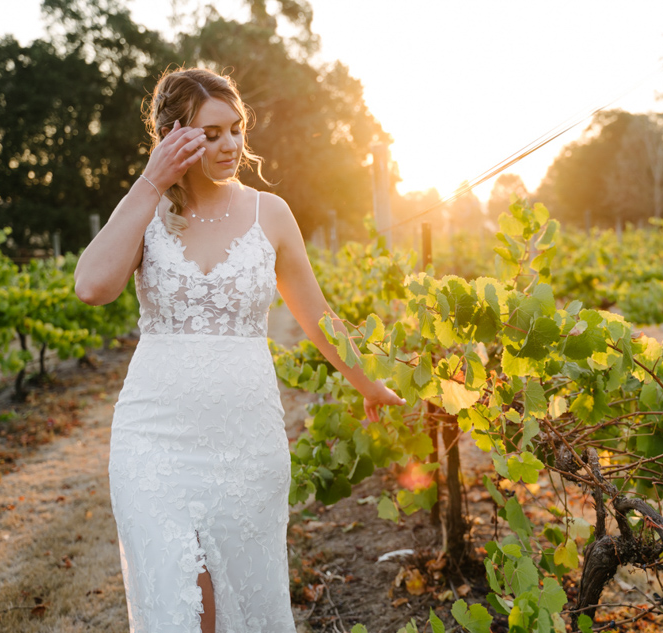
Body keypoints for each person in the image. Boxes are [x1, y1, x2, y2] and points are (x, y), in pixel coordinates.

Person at [74, 67, 405, 633]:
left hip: (246, 441)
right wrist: (149, 184)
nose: (230, 145)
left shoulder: (269, 214)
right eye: (211, 133)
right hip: (153, 441)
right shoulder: (146, 215)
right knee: (180, 605)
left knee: (243, 605)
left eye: (236, 129)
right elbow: (92, 286)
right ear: (173, 137)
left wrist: (368, 382)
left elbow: (317, 312)